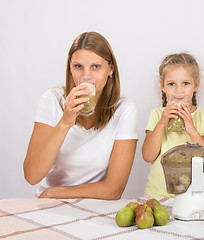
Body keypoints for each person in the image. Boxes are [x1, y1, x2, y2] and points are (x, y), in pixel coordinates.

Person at [23, 32, 138, 199]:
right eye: (78, 66)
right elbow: (32, 176)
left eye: (95, 67)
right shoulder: (52, 100)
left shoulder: (124, 109)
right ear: (70, 67)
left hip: (90, 206)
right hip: (48, 207)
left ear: (110, 69)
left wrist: (54, 193)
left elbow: (114, 189)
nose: (86, 76)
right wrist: (65, 122)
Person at [142, 53, 204, 198]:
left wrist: (192, 130)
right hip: (157, 196)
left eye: (186, 83)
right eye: (171, 84)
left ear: (196, 84)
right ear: (162, 86)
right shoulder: (157, 115)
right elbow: (147, 155)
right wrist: (162, 123)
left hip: (193, 197)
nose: (178, 91)